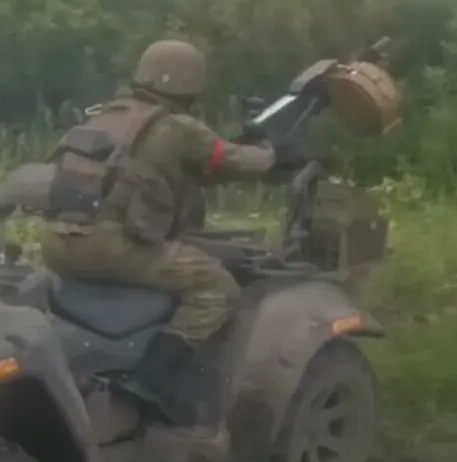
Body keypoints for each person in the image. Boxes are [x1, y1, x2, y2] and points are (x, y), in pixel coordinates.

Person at [41, 39, 295, 440]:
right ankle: (152, 381)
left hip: (57, 242)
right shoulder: (176, 127)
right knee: (217, 287)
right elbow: (236, 162)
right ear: (190, 83)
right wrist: (269, 151)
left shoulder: (103, 116)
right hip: (107, 247)